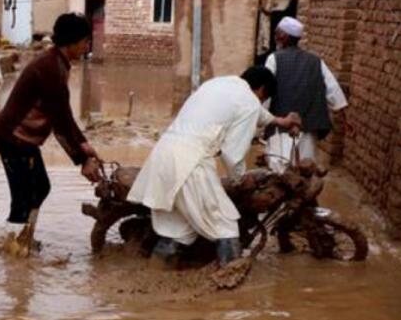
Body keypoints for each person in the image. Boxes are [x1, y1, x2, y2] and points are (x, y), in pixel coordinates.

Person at [127, 67, 302, 265]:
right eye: (263, 98)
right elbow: (232, 154)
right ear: (261, 90)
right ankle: (229, 286)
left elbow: (256, 112)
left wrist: (282, 121)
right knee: (225, 225)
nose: (260, 103)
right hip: (191, 163)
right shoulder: (250, 102)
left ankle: (153, 278)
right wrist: (240, 179)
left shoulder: (217, 85)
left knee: (177, 232)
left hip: (163, 155)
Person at [0, 13, 103, 257]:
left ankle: (25, 239)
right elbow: (61, 122)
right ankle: (14, 252)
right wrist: (82, 161)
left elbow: (64, 115)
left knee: (40, 187)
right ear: (72, 42)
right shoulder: (50, 69)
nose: (87, 46)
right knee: (22, 197)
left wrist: (85, 146)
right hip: (13, 138)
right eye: (86, 41)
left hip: (25, 140)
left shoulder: (58, 63)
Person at [263, 16, 348, 172]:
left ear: (285, 36)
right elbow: (333, 90)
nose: (275, 36)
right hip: (309, 126)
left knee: (279, 170)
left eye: (277, 33)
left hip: (281, 125)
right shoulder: (316, 61)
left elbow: (265, 91)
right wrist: (342, 114)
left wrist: (262, 119)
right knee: (305, 168)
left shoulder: (273, 59)